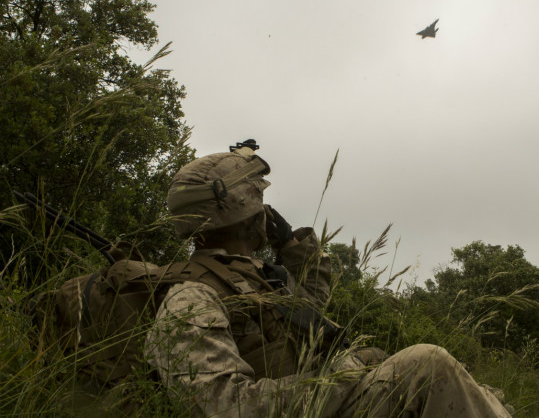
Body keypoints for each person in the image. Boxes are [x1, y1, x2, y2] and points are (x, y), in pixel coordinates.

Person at [144, 140, 513, 417]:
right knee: (427, 366)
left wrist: (291, 245)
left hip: (320, 402)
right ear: (248, 211)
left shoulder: (249, 276)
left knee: (484, 392)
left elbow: (311, 307)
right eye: (260, 204)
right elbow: (224, 407)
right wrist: (346, 371)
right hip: (317, 405)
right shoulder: (190, 297)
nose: (266, 212)